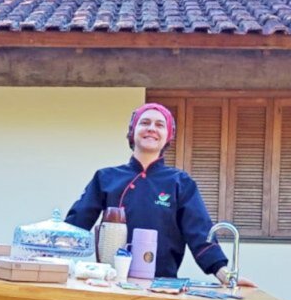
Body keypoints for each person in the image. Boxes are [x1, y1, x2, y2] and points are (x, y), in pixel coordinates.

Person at [65, 102, 255, 286]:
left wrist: (222, 272)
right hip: (109, 281)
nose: (151, 129)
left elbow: (200, 231)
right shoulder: (106, 177)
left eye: (159, 125)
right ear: (132, 132)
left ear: (167, 136)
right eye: (145, 122)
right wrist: (51, 257)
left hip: (161, 284)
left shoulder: (180, 182)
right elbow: (76, 224)